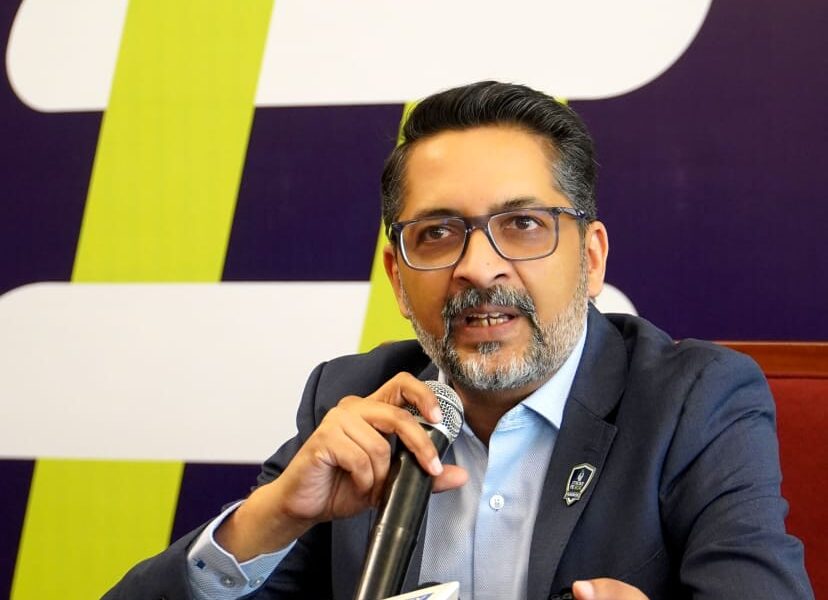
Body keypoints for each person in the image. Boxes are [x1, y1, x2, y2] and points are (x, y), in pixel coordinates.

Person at [104, 81, 814, 600]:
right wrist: (275, 515)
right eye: (438, 233)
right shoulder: (354, 400)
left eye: (523, 225)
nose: (478, 267)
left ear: (592, 259)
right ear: (397, 276)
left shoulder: (695, 401)